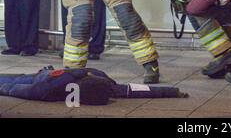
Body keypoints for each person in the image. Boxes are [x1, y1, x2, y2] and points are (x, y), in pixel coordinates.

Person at [0, 66, 188, 105]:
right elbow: (13, 89)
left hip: (56, 76)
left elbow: (140, 90)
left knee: (13, 81)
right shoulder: (46, 89)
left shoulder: (104, 84)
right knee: (14, 81)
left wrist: (175, 92)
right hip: (43, 78)